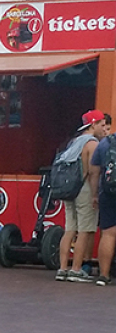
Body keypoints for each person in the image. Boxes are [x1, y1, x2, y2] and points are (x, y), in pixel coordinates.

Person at [57, 110, 109, 282]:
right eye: (102, 124)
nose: (104, 129)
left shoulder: (73, 142)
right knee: (85, 230)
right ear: (93, 124)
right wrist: (95, 195)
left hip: (68, 189)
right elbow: (94, 173)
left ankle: (63, 268)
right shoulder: (92, 144)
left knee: (69, 229)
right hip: (84, 189)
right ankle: (76, 269)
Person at [91, 120, 116, 286]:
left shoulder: (105, 142)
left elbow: (94, 171)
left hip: (108, 191)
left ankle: (104, 275)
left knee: (108, 234)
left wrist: (94, 195)